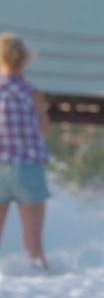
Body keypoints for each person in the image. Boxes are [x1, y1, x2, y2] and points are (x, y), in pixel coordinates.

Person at [0, 33, 52, 270]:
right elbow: (44, 129)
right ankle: (46, 291)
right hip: (28, 168)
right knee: (34, 248)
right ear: (24, 60)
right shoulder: (32, 92)